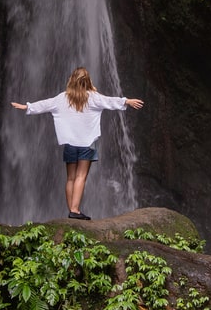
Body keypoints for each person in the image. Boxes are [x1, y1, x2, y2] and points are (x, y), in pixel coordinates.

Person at [11, 66, 144, 220]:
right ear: (87, 81)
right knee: (81, 177)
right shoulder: (93, 97)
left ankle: (72, 210)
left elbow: (45, 104)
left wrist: (27, 107)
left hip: (70, 144)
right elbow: (110, 101)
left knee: (70, 178)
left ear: (72, 80)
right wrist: (126, 101)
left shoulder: (62, 98)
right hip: (87, 144)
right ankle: (75, 210)